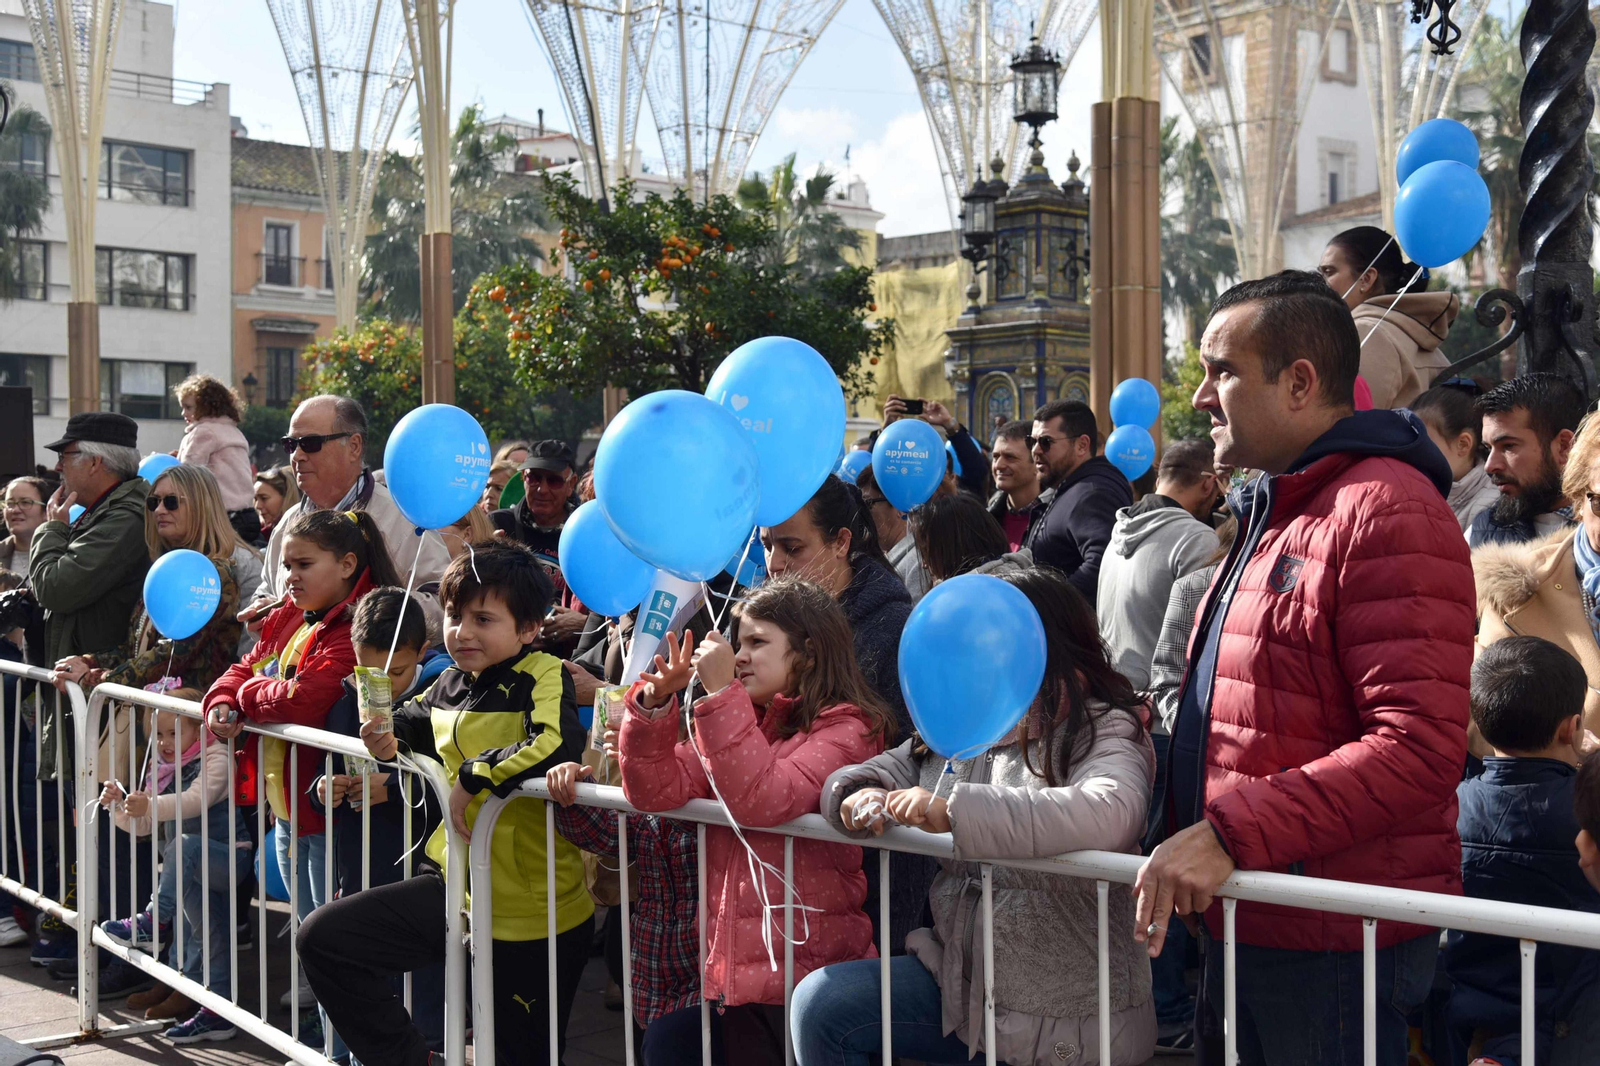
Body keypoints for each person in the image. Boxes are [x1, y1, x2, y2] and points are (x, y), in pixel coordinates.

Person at [1137, 270, 1474, 1065]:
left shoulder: (1386, 511)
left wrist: (1229, 833)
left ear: (1299, 382)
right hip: (1254, 914)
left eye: (1221, 371)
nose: (1200, 398)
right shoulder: (1277, 509)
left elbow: (1419, 746)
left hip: (1329, 939)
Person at [795, 566, 1157, 1066]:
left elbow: (1111, 809)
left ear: (1040, 644)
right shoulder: (969, 721)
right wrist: (854, 795)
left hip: (1066, 1013)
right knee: (824, 1005)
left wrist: (956, 814)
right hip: (961, 988)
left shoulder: (1103, 725)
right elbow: (883, 769)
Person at [297, 541, 593, 1066]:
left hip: (533, 911)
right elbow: (408, 725)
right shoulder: (448, 683)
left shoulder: (546, 672)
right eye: (456, 616)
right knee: (324, 940)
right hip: (455, 888)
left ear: (527, 629)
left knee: (524, 1057)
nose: (464, 631)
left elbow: (555, 742)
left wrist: (477, 775)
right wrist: (381, 735)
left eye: (484, 618)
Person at [617, 579, 894, 1065]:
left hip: (811, 972)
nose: (739, 655)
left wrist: (721, 691)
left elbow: (764, 798)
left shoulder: (849, 728)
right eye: (738, 643)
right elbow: (656, 790)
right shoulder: (745, 722)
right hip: (740, 973)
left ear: (807, 653)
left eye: (757, 642)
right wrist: (654, 706)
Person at [204, 508, 400, 1051]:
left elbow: (308, 697)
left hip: (329, 816)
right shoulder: (291, 611)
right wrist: (224, 700)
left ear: (347, 564)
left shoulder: (359, 620)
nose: (290, 576)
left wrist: (246, 699)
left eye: (303, 564)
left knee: (332, 947)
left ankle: (344, 1054)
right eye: (287, 563)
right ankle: (330, 1050)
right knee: (314, 946)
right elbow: (243, 669)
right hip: (288, 809)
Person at [1445, 636, 1600, 1066]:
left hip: (1475, 1016)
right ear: (1571, 727)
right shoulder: (1584, 809)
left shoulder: (1453, 807)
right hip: (1570, 1022)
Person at [312, 586, 451, 1055]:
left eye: (396, 671)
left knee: (424, 996)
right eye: (369, 671)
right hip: (359, 865)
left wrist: (390, 790)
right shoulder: (344, 704)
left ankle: (430, 1048)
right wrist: (324, 790)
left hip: (418, 872)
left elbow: (451, 786)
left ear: (421, 654)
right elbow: (323, 772)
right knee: (364, 985)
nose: (383, 683)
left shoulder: (439, 702)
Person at [97, 690, 253, 1044]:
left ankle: (153, 921)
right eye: (158, 734)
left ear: (200, 730)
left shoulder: (217, 757)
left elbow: (195, 801)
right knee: (203, 931)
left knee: (183, 848)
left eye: (174, 733)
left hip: (228, 859)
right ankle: (210, 1005)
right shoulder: (162, 770)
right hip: (190, 866)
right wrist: (121, 807)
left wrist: (148, 803)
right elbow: (145, 826)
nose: (165, 743)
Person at [1141, 516, 1236, 1051]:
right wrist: (1205, 736)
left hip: (1249, 786)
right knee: (1179, 889)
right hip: (1190, 770)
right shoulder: (1194, 587)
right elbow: (1164, 680)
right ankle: (1175, 1005)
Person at [243, 395, 449, 623]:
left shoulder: (404, 517)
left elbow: (444, 604)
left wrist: (365, 613)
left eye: (310, 443)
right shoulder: (288, 522)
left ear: (354, 446)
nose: (297, 455)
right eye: (290, 444)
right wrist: (263, 608)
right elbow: (268, 589)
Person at [546, 751, 701, 1052]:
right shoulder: (650, 808)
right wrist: (574, 787)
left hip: (708, 986)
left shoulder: (717, 802)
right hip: (652, 987)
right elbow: (607, 829)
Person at [52, 465, 250, 693]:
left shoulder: (215, 573)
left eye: (171, 502)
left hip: (189, 719)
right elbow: (136, 647)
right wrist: (89, 661)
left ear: (200, 507)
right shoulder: (163, 568)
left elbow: (173, 654)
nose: (159, 511)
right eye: (154, 502)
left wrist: (94, 679)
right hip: (155, 716)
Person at [30, 412, 152, 782]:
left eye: (65, 457)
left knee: (101, 828)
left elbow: (55, 587)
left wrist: (51, 529)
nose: (57, 467)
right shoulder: (105, 511)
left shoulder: (126, 516)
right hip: (90, 694)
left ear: (96, 462)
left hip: (106, 703)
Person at [1475, 409, 1600, 753]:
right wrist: (1560, 751)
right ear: (1577, 498)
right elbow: (1481, 721)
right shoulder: (1517, 591)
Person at [762, 475, 911, 733]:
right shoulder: (755, 622)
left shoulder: (893, 631)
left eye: (792, 548)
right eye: (766, 545)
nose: (774, 564)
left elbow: (903, 752)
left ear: (841, 543)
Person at [1096, 437, 1221, 693]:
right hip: (1162, 715)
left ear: (1158, 480)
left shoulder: (1117, 534)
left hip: (1117, 700)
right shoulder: (1196, 538)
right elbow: (1201, 640)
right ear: (1209, 484)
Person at [1318, 225, 1458, 409]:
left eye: (1329, 272)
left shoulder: (1367, 331)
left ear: (1367, 279)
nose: (1320, 283)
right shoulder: (1406, 330)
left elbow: (1350, 423)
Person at [1023, 399, 1133, 605]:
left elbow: (1104, 564)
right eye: (1032, 441)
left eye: (1046, 442)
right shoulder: (1072, 488)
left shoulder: (1093, 492)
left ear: (1082, 445)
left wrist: (1051, 607)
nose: (1036, 451)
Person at [490, 440, 585, 653]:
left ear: (572, 483)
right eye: (533, 478)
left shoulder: (587, 533)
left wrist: (583, 623)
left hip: (570, 658)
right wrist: (486, 559)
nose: (542, 489)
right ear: (523, 479)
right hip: (507, 654)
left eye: (554, 481)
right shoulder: (499, 525)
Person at [1469, 374, 1586, 548]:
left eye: (1508, 446)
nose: (1490, 465)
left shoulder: (1593, 528)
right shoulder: (1481, 531)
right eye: (1488, 448)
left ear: (1564, 447)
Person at [173, 374, 259, 544]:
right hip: (247, 514)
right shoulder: (234, 432)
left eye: (188, 407)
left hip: (221, 516)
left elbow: (186, 474)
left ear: (206, 407)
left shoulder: (203, 432)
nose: (184, 413)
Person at [1412, 382, 1500, 534]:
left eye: (1423, 444)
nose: (1412, 454)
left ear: (1463, 444)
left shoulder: (1490, 507)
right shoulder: (1416, 490)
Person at [906, 491, 1029, 583]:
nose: (924, 564)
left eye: (927, 552)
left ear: (953, 549)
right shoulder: (1020, 582)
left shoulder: (967, 597)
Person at [882, 395, 987, 498]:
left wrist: (949, 423)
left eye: (941, 473)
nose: (933, 479)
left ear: (952, 477)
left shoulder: (960, 504)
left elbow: (976, 471)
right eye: (923, 469)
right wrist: (886, 431)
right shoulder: (897, 497)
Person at [854, 463, 931, 601]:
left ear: (899, 506)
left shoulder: (917, 563)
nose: (862, 513)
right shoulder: (883, 557)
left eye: (868, 503)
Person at [987, 420, 1044, 550]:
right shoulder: (987, 520)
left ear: (1037, 463)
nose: (999, 465)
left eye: (1010, 457)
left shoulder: (1057, 519)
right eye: (995, 457)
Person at [1, 476, 50, 573]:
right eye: (10, 503)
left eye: (25, 502)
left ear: (46, 512)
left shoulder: (63, 555)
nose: (15, 510)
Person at [252, 466, 299, 545]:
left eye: (264, 498)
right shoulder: (255, 536)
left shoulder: (302, 537)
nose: (257, 506)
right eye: (255, 499)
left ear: (286, 497)